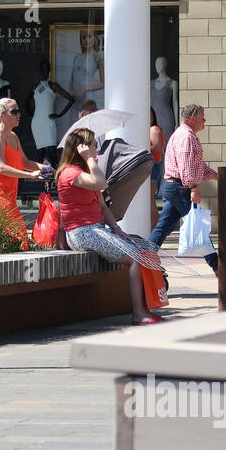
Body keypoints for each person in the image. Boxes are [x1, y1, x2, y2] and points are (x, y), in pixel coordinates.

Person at [57, 128, 163, 325]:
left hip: (97, 229)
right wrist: (90, 159)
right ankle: (139, 313)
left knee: (145, 248)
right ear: (81, 149)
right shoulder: (70, 173)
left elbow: (103, 207)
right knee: (134, 258)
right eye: (93, 145)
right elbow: (101, 183)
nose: (96, 149)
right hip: (82, 232)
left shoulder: (85, 172)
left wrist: (116, 228)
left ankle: (150, 305)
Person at [149, 104, 226, 274]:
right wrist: (193, 188)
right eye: (202, 117)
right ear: (192, 118)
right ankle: (218, 266)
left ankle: (145, 258)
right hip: (179, 186)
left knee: (163, 227)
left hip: (174, 185)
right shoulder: (186, 136)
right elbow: (186, 165)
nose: (204, 120)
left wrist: (217, 176)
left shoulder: (185, 134)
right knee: (197, 225)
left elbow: (196, 164)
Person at [0, 97, 49, 250]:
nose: (18, 115)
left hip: (10, 198)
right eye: (14, 112)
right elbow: (1, 167)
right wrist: (30, 175)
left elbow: (25, 163)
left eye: (18, 111)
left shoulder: (13, 136)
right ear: (2, 116)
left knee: (16, 243)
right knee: (19, 241)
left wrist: (44, 167)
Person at [149, 108, 165, 225]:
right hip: (150, 164)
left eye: (149, 115)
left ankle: (152, 229)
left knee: (150, 200)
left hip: (152, 165)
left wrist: (141, 148)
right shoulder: (149, 129)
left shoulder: (154, 129)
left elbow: (157, 147)